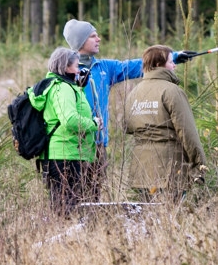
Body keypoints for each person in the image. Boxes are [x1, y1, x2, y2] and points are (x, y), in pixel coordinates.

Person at [62, 19, 195, 201]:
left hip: (99, 143)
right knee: (72, 193)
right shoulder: (67, 70)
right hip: (72, 143)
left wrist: (174, 57)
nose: (99, 39)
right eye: (93, 36)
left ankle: (91, 228)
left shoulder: (104, 67)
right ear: (80, 41)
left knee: (94, 192)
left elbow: (134, 66)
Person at [123, 45, 207, 203]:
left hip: (140, 168)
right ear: (158, 65)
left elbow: (128, 127)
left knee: (146, 218)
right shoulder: (172, 91)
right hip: (169, 167)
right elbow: (187, 132)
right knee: (172, 216)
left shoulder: (133, 93)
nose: (175, 64)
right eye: (171, 61)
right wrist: (199, 165)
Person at [30, 48, 101, 214]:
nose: (79, 70)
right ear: (66, 67)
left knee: (63, 204)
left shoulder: (61, 86)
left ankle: (63, 235)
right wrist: (93, 123)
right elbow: (69, 120)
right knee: (67, 207)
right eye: (77, 66)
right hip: (64, 154)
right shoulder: (62, 88)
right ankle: (65, 237)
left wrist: (80, 87)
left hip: (61, 153)